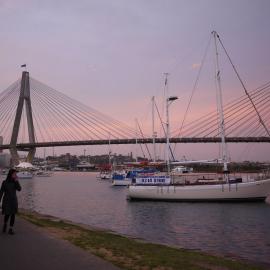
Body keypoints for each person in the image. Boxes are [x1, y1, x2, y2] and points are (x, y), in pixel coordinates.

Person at [0, 168, 22, 235]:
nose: (15, 175)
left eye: (16, 174)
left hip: (13, 201)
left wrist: (17, 181)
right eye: (14, 174)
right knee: (7, 214)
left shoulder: (15, 182)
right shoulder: (4, 182)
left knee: (13, 215)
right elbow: (1, 192)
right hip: (6, 201)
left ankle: (10, 229)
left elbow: (19, 189)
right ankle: (5, 224)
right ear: (10, 174)